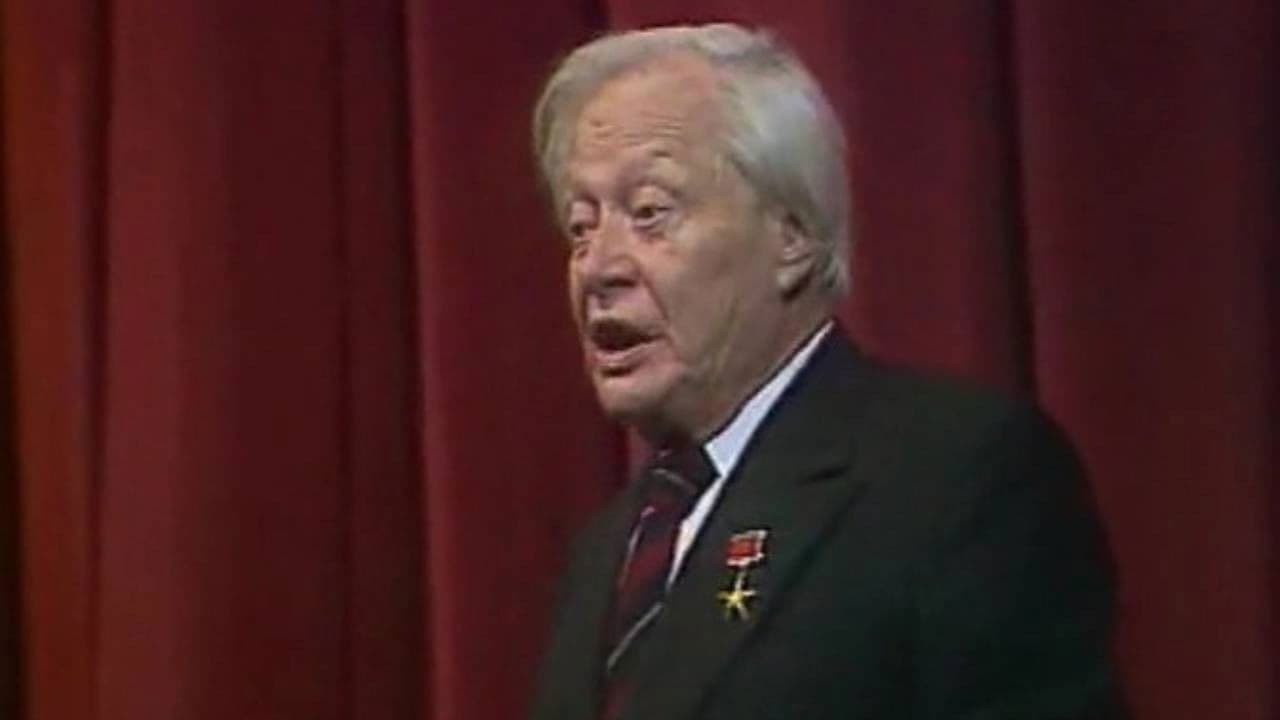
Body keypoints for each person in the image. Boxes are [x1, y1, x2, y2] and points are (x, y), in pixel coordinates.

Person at [528, 23, 1122, 720]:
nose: (598, 268)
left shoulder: (955, 478)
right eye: (582, 227)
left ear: (793, 237)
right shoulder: (609, 551)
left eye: (650, 214)